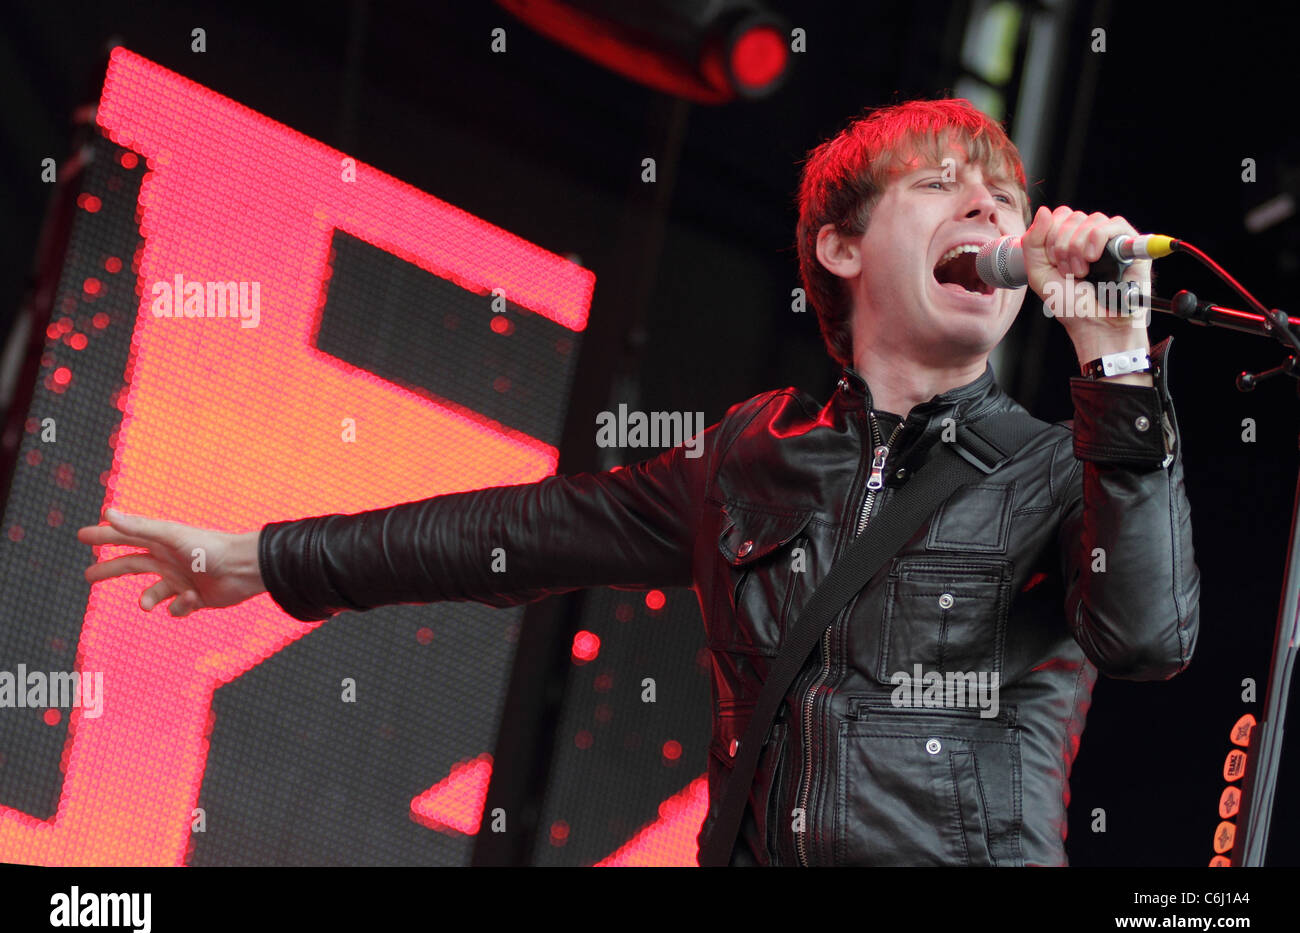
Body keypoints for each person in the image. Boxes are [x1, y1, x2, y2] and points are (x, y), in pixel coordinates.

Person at [78, 98, 1199, 866]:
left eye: (1004, 199)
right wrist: (268, 558)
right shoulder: (751, 458)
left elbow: (1146, 635)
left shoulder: (1070, 463)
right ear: (842, 251)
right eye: (944, 186)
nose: (991, 215)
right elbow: (514, 532)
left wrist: (1116, 364)